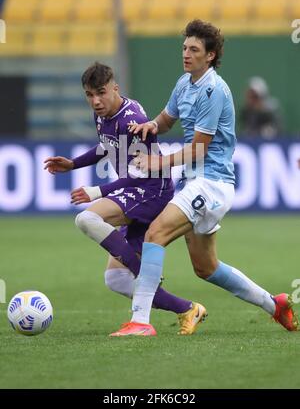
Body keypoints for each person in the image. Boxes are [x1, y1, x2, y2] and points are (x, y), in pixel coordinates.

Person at [110, 20, 299, 336]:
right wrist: (151, 126)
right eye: (184, 47)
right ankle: (275, 304)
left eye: (194, 49)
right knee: (206, 267)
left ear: (210, 56)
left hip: (210, 183)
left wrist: (159, 163)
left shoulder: (214, 90)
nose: (186, 54)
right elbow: (168, 119)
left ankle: (140, 322)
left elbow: (198, 150)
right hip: (193, 183)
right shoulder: (185, 83)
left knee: (156, 233)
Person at [44, 62, 207, 336]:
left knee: (87, 218)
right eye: (89, 95)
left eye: (101, 93)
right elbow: (107, 146)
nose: (95, 101)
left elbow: (142, 175)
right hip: (135, 191)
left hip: (151, 191)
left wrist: (99, 191)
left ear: (114, 88)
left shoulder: (130, 120)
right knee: (116, 279)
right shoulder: (103, 116)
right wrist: (73, 164)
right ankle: (188, 309)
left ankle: (142, 271)